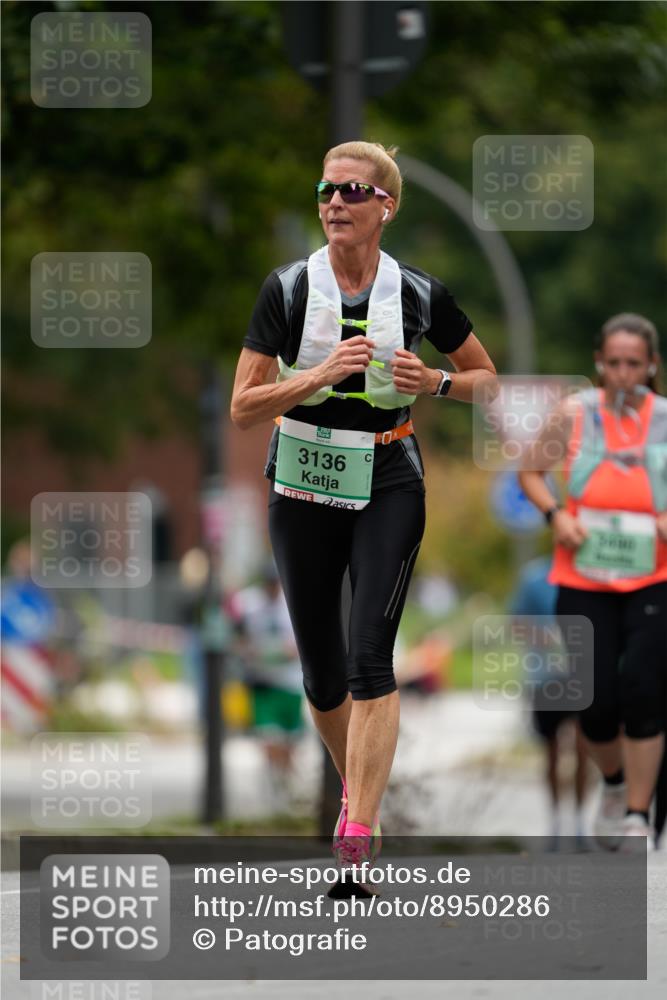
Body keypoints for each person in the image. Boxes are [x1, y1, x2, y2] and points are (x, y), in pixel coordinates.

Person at [231, 141, 496, 872]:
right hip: (302, 481)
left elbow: (487, 380)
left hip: (387, 479)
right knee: (321, 675)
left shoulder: (417, 295)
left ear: (386, 206)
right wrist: (315, 375)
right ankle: (359, 793)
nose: (334, 203)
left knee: (368, 659)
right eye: (325, 190)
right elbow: (242, 406)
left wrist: (435, 381)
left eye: (352, 191)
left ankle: (358, 834)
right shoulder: (287, 290)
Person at [519, 313, 667, 850]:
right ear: (599, 364)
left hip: (654, 575)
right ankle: (614, 781)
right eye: (615, 363)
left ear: (651, 366)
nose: (624, 374)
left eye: (635, 364)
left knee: (645, 691)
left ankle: (636, 815)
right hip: (582, 575)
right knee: (596, 701)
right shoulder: (573, 414)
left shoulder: (665, 419)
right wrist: (556, 515)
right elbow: (530, 472)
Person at [509, 555, 589, 846]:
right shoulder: (535, 578)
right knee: (552, 751)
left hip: (583, 675)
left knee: (584, 749)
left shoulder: (590, 572)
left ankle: (580, 823)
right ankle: (555, 821)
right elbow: (515, 623)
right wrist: (543, 636)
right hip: (544, 676)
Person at [230, 566, 304, 813]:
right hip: (263, 682)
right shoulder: (248, 604)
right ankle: (275, 786)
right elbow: (236, 635)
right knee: (269, 737)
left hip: (291, 683)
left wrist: (291, 651)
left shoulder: (293, 603)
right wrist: (246, 649)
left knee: (290, 741)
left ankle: (285, 781)